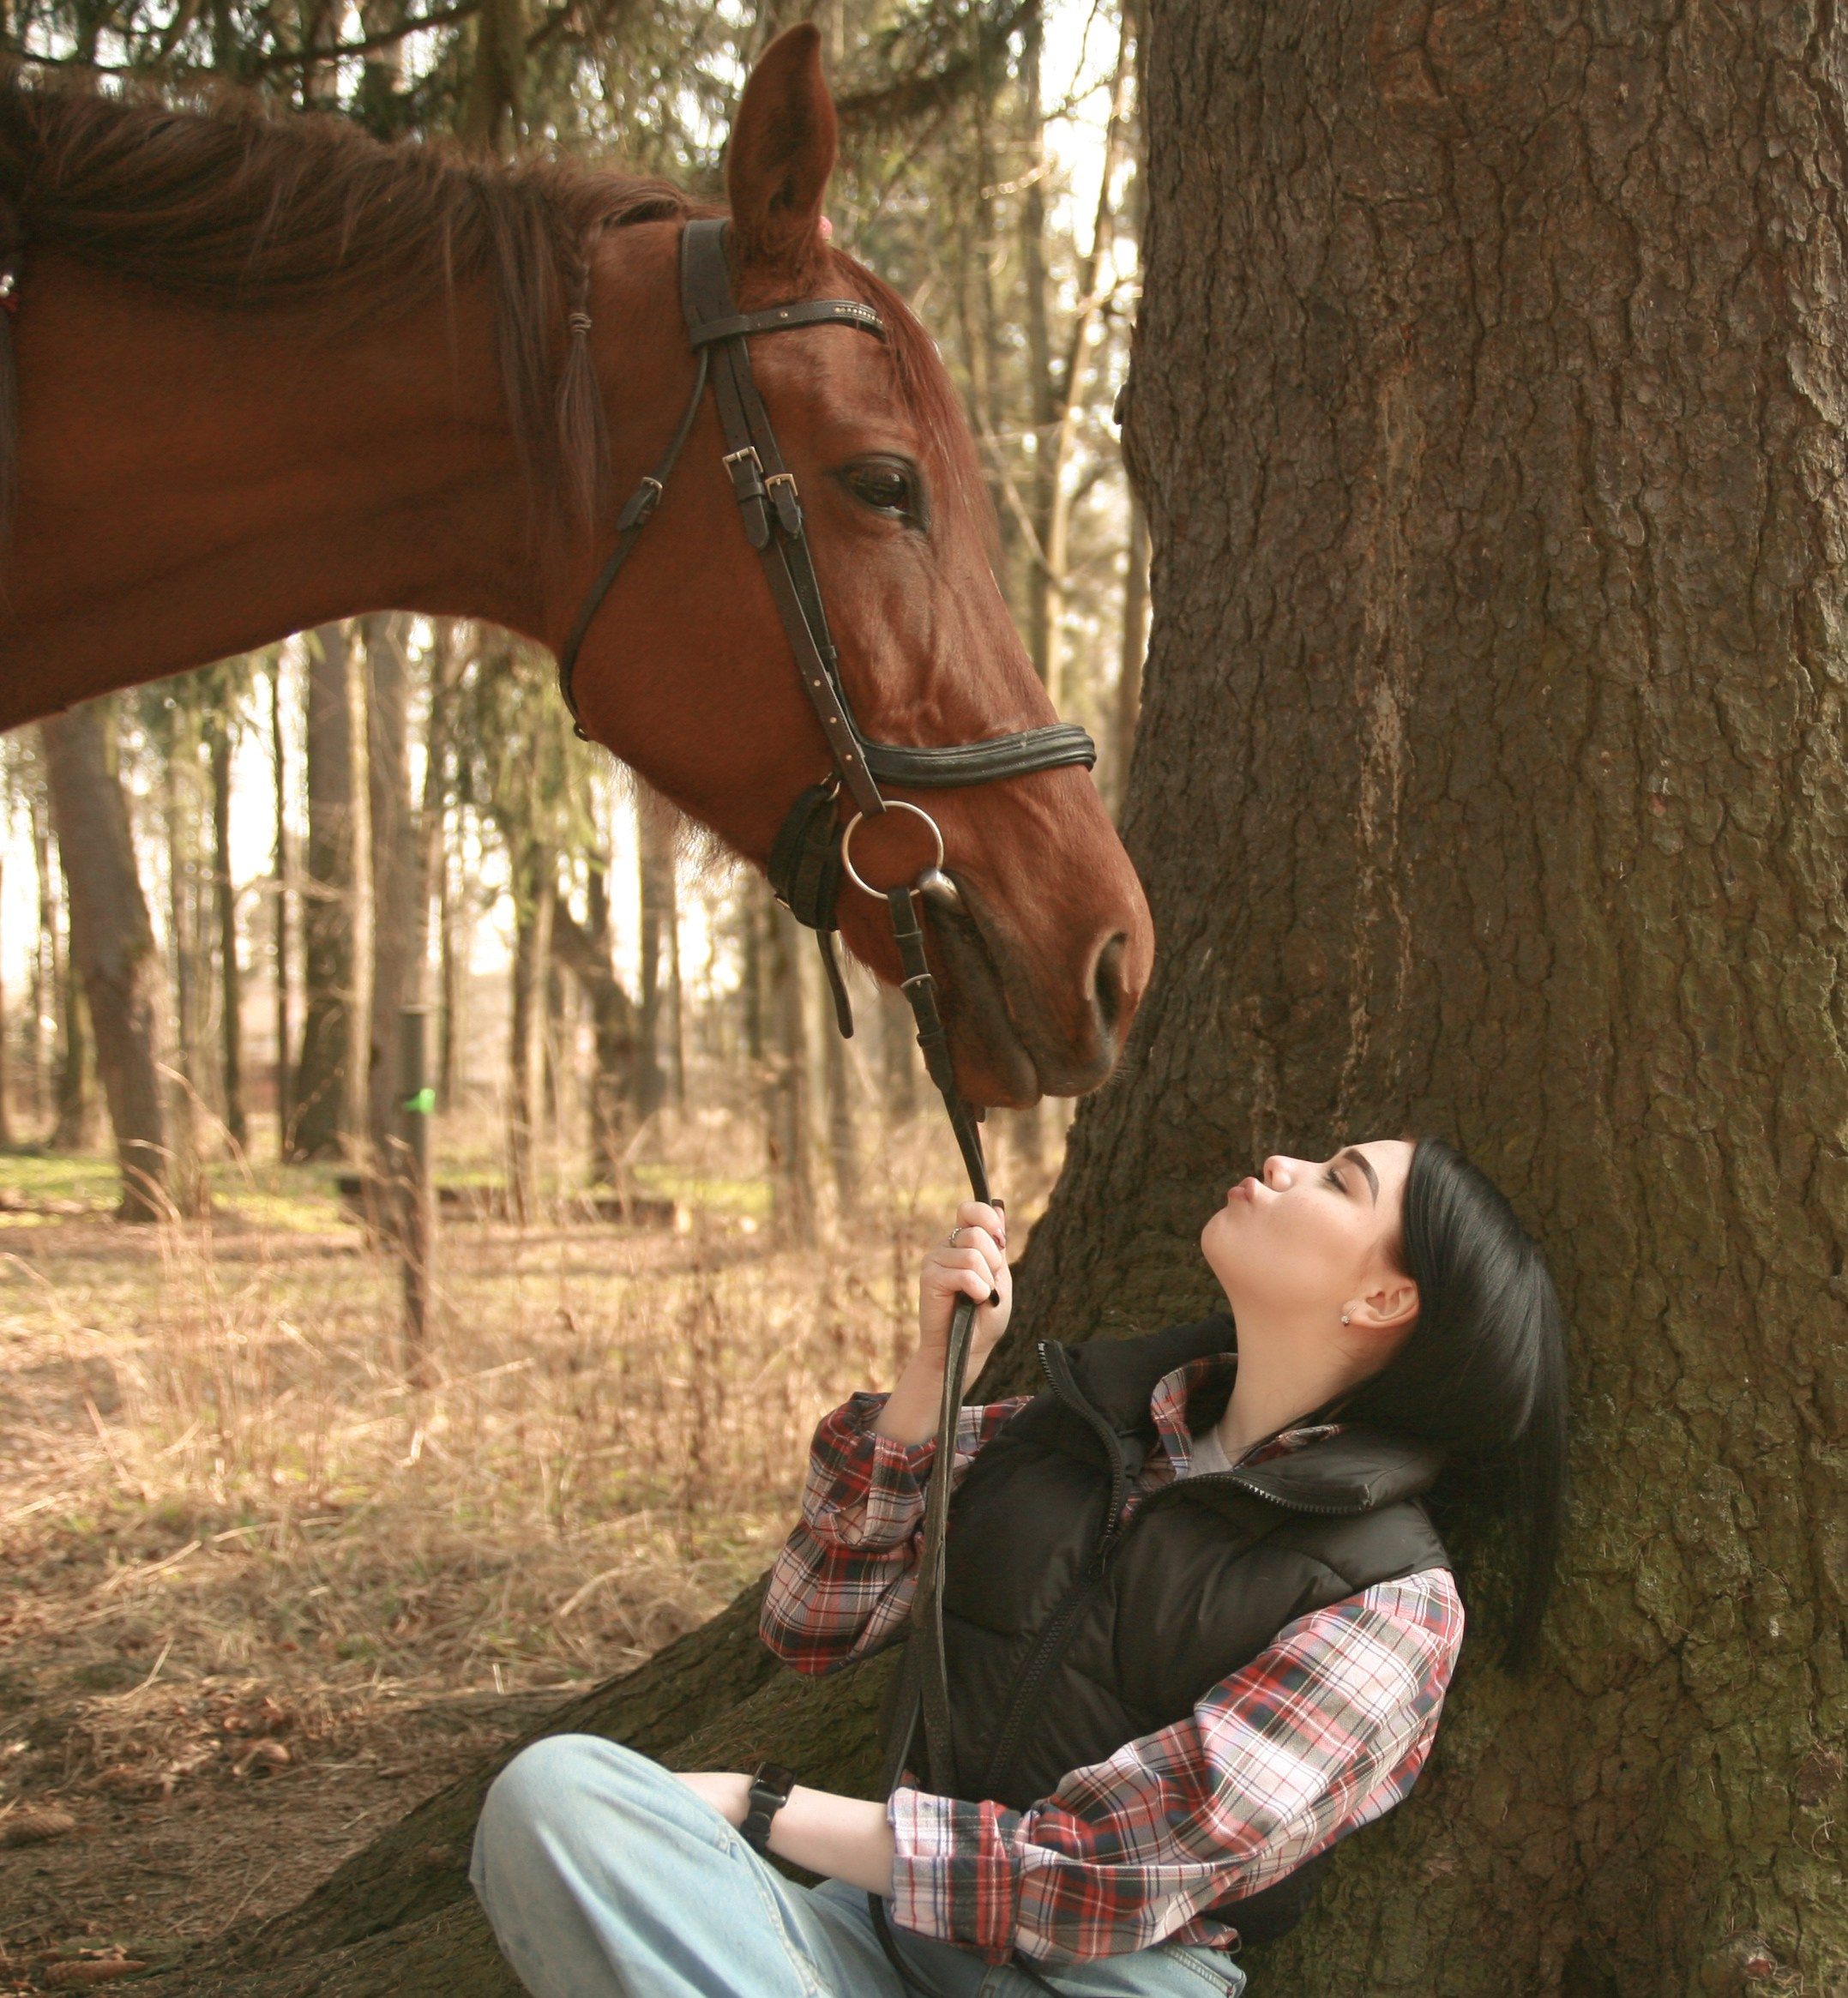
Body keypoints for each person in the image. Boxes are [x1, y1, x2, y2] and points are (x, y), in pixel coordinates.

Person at [471, 1137, 1568, 1997]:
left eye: (1338, 1180)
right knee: (556, 1795)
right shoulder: (1072, 1427)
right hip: (865, 1946)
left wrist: (757, 1806)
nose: (1281, 1164)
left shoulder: (1390, 1601)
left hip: (1096, 1984)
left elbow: (1097, 1876)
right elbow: (813, 1624)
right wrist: (934, 1369)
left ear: (1382, 1299)